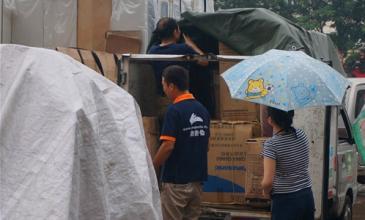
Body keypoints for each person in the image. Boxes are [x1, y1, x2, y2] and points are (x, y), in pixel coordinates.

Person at [153, 65, 210, 220]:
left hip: (176, 183)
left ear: (172, 86)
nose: (163, 89)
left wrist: (152, 166)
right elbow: (206, 146)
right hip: (197, 182)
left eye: (163, 84)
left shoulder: (174, 110)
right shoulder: (202, 109)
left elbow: (168, 146)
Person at [261, 107, 315, 220]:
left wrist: (265, 192)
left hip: (285, 202)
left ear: (270, 120)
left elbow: (268, 182)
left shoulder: (271, 145)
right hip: (306, 196)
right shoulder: (301, 135)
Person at [148, 17, 208, 96]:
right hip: (181, 97)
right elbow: (205, 61)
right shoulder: (183, 49)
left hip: (162, 97)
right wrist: (192, 45)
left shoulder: (152, 51)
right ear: (175, 31)